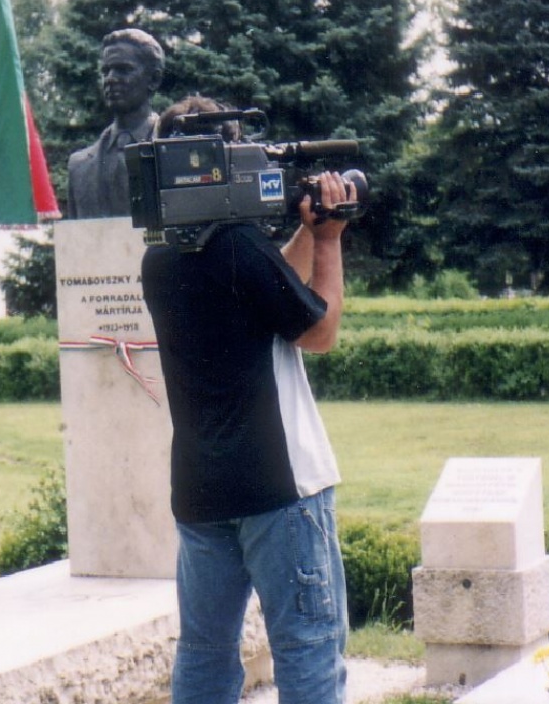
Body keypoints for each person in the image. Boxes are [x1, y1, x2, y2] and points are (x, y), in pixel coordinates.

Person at [140, 97, 357, 704]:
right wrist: (330, 240)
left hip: (201, 492)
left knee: (204, 651)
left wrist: (304, 231)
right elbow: (319, 332)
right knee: (308, 646)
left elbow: (263, 286)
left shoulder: (160, 257)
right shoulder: (238, 245)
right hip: (280, 489)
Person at [67, 28, 165, 218]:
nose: (110, 79)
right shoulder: (78, 167)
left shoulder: (176, 155)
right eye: (106, 71)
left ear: (154, 79)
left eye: (124, 70)